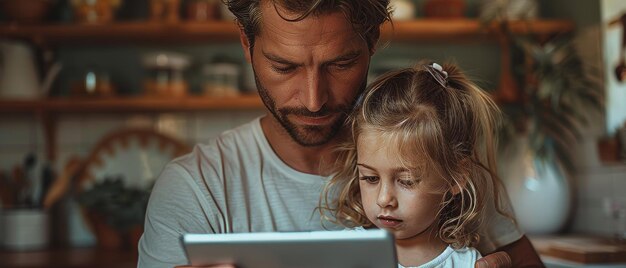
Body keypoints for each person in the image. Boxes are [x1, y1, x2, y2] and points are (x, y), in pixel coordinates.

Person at [138, 0, 543, 267]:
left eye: (341, 63)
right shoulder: (194, 189)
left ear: (371, 43)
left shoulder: (439, 155)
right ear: (247, 45)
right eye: (285, 67)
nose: (314, 100)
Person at [321, 62, 511, 267]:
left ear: (456, 177)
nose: (384, 199)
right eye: (370, 178)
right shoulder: (345, 251)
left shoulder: (468, 264)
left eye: (406, 181)